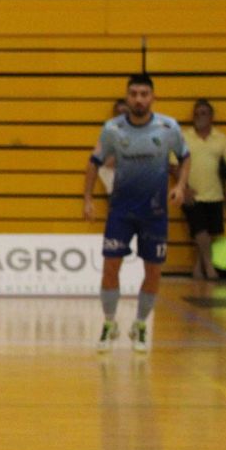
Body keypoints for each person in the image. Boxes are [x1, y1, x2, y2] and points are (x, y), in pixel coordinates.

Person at [83, 73, 189, 353]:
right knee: (109, 268)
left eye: (144, 94)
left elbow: (185, 156)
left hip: (155, 213)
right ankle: (109, 322)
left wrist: (180, 185)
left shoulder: (168, 128)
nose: (139, 99)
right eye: (133, 94)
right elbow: (94, 161)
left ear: (153, 97)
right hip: (120, 211)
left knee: (153, 272)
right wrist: (88, 198)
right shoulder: (112, 129)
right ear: (127, 97)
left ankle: (140, 324)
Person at [180, 99, 226, 281]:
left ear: (211, 117)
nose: (199, 117)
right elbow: (173, 165)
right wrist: (184, 187)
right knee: (200, 231)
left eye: (203, 113)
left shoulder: (221, 138)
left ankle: (198, 268)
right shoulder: (184, 137)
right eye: (196, 113)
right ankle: (210, 267)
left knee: (208, 233)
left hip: (215, 194)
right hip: (191, 194)